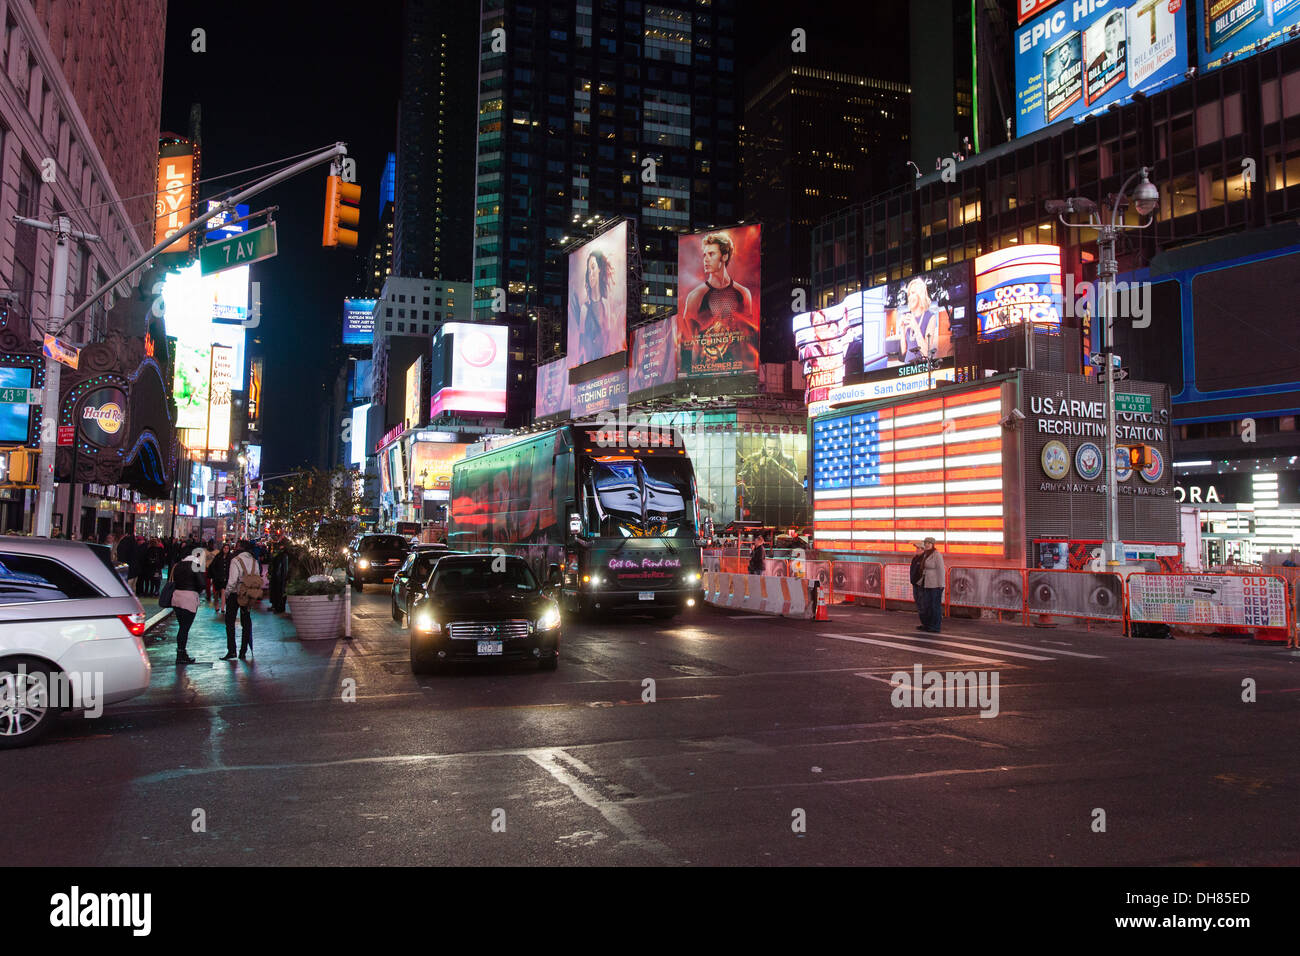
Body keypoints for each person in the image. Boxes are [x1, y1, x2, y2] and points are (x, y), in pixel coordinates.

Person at [679, 233, 757, 374]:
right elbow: (686, 344)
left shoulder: (743, 294)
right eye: (704, 255)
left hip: (737, 374)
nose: (706, 260)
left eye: (711, 254)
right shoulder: (695, 296)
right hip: (702, 374)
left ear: (724, 256)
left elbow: (748, 340)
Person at [222, 539, 260, 661]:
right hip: (248, 594)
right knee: (246, 622)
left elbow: (232, 581)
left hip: (235, 594)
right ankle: (243, 651)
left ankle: (231, 650)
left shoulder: (235, 561)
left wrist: (227, 593)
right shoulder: (255, 561)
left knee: (230, 622)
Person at [169, 551, 205, 665]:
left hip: (176, 597)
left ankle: (182, 653)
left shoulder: (178, 565)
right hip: (189, 598)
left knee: (182, 627)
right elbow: (202, 584)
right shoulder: (195, 565)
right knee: (185, 628)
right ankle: (181, 655)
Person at [916, 537, 945, 633]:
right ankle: (928, 625)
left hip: (935, 584)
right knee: (927, 605)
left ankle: (936, 626)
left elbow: (941, 570)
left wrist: (941, 584)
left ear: (933, 544)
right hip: (926, 583)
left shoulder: (936, 555)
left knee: (935, 606)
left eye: (929, 543)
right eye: (926, 543)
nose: (927, 544)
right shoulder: (926, 554)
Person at [268, 540, 290, 614]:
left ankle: (279, 607)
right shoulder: (280, 555)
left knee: (280, 592)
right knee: (277, 592)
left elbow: (284, 568)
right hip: (277, 577)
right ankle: (276, 606)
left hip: (280, 577)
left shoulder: (284, 555)